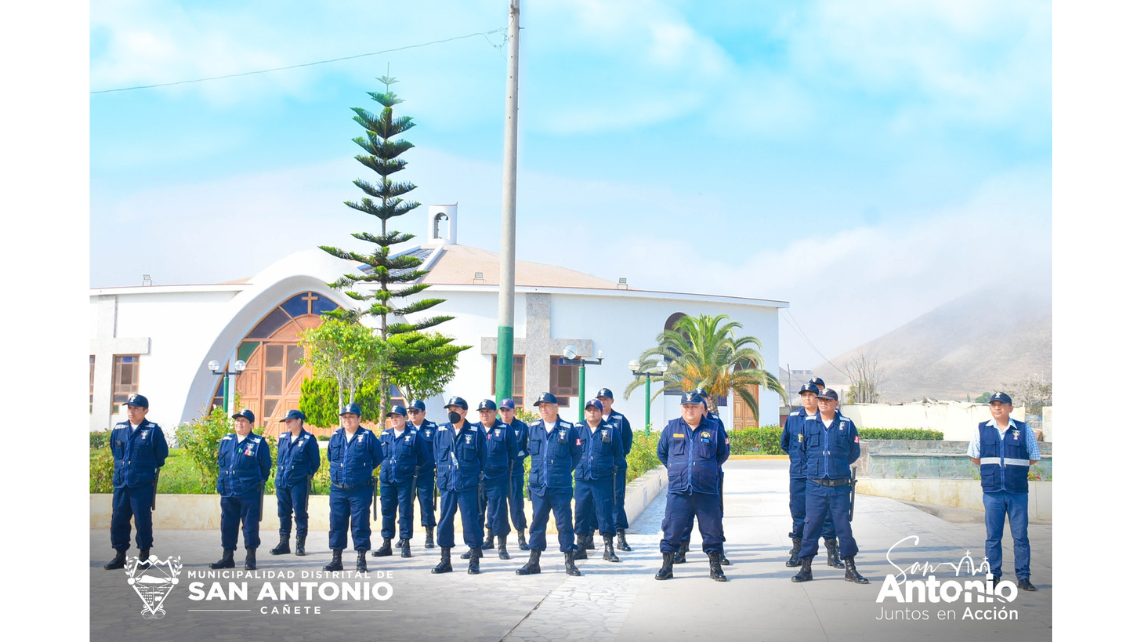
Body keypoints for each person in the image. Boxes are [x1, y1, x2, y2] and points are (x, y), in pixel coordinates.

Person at [792, 388, 867, 584]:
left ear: (836, 404)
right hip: (815, 486)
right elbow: (802, 452)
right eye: (821, 400)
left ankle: (850, 568)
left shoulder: (846, 425)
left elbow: (853, 452)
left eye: (828, 400)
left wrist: (837, 466)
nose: (823, 403)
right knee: (811, 527)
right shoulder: (808, 424)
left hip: (839, 486)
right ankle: (806, 568)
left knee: (843, 528)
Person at [655, 391, 730, 582]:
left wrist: (705, 469)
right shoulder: (671, 427)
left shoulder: (713, 428)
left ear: (701, 408)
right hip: (678, 490)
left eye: (694, 406)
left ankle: (715, 567)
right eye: (686, 407)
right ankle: (667, 566)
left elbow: (722, 453)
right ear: (681, 408)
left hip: (706, 490)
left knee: (712, 529)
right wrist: (677, 469)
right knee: (672, 529)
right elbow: (662, 453)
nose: (690, 410)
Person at [968, 392, 1040, 591]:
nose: (997, 408)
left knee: (1020, 537)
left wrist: (1014, 471)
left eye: (1001, 404)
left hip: (1017, 491)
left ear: (1011, 407)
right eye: (993, 405)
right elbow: (975, 456)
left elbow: (1033, 456)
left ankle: (1023, 577)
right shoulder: (982, 429)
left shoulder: (1024, 429)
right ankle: (993, 577)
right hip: (992, 492)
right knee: (993, 537)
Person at [516, 392, 584, 576]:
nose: (543, 408)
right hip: (538, 486)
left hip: (560, 486)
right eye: (540, 406)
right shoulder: (534, 428)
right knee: (537, 523)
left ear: (556, 407)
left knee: (564, 524)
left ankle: (569, 561)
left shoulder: (568, 429)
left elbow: (577, 454)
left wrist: (563, 470)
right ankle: (534, 561)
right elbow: (530, 450)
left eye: (546, 405)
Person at [779, 383, 842, 568]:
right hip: (799, 475)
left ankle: (832, 553)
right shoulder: (793, 418)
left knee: (827, 515)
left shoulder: (828, 418)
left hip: (822, 475)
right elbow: (786, 444)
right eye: (804, 395)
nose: (807, 398)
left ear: (818, 398)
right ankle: (797, 552)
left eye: (811, 395)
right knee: (799, 514)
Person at [104, 394, 169, 570]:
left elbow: (161, 455)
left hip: (141, 483)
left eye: (135, 408)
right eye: (129, 408)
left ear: (145, 411)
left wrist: (143, 468)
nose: (131, 412)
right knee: (118, 519)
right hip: (121, 482)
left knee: (142, 520)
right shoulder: (119, 429)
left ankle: (144, 555)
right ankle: (120, 555)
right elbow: (114, 450)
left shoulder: (153, 429)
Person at [675, 388, 732, 567]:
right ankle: (682, 549)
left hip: (711, 476)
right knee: (685, 515)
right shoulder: (681, 423)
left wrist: (711, 467)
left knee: (714, 515)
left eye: (703, 399)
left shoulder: (715, 422)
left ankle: (718, 552)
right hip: (685, 478)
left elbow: (723, 449)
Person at [323, 403, 383, 573]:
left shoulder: (368, 436)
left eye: (351, 417)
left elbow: (377, 457)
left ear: (359, 419)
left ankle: (361, 559)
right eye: (345, 417)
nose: (347, 420)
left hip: (360, 489)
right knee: (337, 524)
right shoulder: (335, 436)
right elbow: (330, 457)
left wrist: (361, 472)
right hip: (338, 489)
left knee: (360, 524)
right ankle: (336, 560)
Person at [431, 397, 488, 574]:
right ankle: (445, 560)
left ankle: (474, 560)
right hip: (447, 484)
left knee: (471, 522)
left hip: (467, 485)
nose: (451, 413)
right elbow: (436, 455)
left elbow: (483, 458)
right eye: (450, 409)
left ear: (464, 412)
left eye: (456, 409)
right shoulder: (441, 431)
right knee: (445, 521)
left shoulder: (475, 431)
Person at [210, 409, 272, 571]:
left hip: (248, 491)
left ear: (251, 424)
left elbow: (265, 467)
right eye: (237, 420)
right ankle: (227, 557)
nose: (239, 423)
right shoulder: (227, 440)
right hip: (228, 489)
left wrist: (256, 482)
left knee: (250, 525)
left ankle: (250, 557)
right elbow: (221, 463)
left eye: (243, 421)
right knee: (227, 524)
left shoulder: (258, 443)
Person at [374, 405, 432, 559]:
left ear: (405, 418)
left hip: (405, 480)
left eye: (397, 416)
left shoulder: (413, 435)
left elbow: (424, 457)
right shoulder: (385, 435)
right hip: (387, 480)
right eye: (392, 417)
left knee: (405, 512)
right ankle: (386, 543)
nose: (394, 419)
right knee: (387, 511)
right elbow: (377, 455)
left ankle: (405, 543)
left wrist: (412, 470)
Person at [573, 399, 625, 563]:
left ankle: (608, 548)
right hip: (582, 479)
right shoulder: (577, 429)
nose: (592, 412)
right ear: (585, 413)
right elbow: (570, 452)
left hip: (603, 479)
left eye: (596, 410)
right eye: (589, 410)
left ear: (602, 412)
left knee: (605, 513)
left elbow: (619, 455)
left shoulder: (610, 430)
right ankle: (581, 546)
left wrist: (610, 471)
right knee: (581, 512)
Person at [271, 409, 321, 557]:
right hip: (282, 481)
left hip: (299, 482)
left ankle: (300, 544)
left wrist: (305, 475)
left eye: (290, 420)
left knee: (300, 513)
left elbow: (315, 463)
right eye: (286, 421)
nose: (287, 423)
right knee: (283, 513)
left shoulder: (308, 439)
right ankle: (283, 543)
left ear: (299, 420)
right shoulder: (283, 438)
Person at [473, 399, 519, 561]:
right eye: (482, 412)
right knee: (476, 514)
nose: (484, 415)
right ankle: (476, 548)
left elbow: (513, 453)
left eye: (488, 411)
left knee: (499, 514)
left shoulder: (505, 429)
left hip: (497, 479)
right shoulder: (473, 429)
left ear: (495, 413)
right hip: (477, 479)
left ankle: (502, 547)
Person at [595, 388, 634, 552]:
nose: (603, 402)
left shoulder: (620, 419)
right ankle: (588, 537)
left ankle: (621, 537)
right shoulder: (592, 418)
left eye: (606, 399)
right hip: (598, 469)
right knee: (593, 501)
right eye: (600, 399)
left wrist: (615, 459)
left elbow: (626, 442)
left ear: (612, 401)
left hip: (616, 468)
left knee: (617, 501)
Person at [499, 399, 531, 550]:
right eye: (502, 410)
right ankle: (491, 536)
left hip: (515, 471)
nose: (505, 413)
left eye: (508, 410)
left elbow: (526, 448)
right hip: (497, 473)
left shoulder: (522, 427)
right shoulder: (495, 426)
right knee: (496, 506)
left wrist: (516, 457)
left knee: (516, 504)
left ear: (514, 411)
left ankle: (521, 536)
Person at [407, 399, 439, 548]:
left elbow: (439, 449)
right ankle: (404, 536)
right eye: (410, 411)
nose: (412, 414)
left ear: (423, 413)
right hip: (407, 474)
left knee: (426, 504)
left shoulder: (432, 428)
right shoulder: (404, 427)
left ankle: (429, 534)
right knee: (405, 504)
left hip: (425, 473)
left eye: (416, 412)